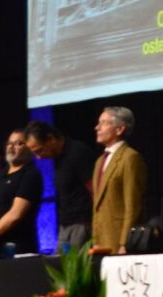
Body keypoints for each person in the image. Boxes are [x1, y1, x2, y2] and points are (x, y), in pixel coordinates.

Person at [24, 120, 97, 251]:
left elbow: (95, 191)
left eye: (39, 150)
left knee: (76, 270)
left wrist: (97, 227)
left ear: (50, 138)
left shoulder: (77, 152)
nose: (39, 157)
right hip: (65, 226)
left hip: (82, 225)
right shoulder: (58, 158)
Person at [0, 129, 44, 254]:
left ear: (29, 148)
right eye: (9, 143)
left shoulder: (30, 175)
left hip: (15, 248)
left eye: (18, 143)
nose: (11, 147)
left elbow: (16, 214)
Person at [91, 106, 146, 254]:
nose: (97, 127)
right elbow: (97, 206)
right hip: (102, 241)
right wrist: (95, 240)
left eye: (103, 123)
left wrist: (125, 243)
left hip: (119, 241)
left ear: (120, 129)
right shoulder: (99, 161)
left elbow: (132, 205)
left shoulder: (130, 158)